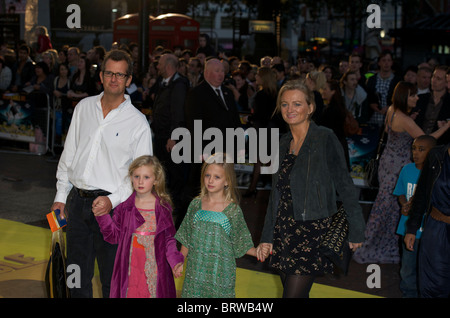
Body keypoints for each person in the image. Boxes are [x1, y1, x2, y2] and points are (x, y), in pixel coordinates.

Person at [50, 49, 153, 298]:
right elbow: (69, 154)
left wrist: (112, 201)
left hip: (113, 211)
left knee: (112, 282)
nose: (114, 79)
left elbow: (142, 177)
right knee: (76, 277)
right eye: (109, 73)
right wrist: (61, 196)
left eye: (120, 75)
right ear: (102, 75)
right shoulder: (84, 108)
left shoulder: (138, 122)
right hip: (76, 203)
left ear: (129, 80)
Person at [256, 80, 365, 298]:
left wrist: (357, 229)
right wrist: (267, 236)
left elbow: (345, 185)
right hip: (284, 230)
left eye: (297, 104)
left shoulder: (324, 138)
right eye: (285, 104)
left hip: (313, 230)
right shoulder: (282, 142)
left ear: (310, 108)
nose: (290, 110)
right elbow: (275, 194)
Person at [353, 81, 450, 264]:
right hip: (397, 169)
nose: (416, 98)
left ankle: (378, 247)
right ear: (404, 97)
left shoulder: (391, 110)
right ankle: (373, 248)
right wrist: (446, 127)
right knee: (389, 210)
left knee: (387, 209)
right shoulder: (405, 120)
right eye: (413, 95)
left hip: (387, 164)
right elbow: (426, 140)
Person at [94, 155, 184, 298]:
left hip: (154, 268)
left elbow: (169, 240)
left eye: (146, 177)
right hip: (130, 268)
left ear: (156, 180)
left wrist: (175, 261)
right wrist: (102, 215)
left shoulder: (162, 208)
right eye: (136, 176)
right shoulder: (124, 208)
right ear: (130, 178)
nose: (141, 181)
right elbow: (113, 236)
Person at [175, 153, 257, 297]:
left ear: (227, 181)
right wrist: (180, 260)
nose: (210, 180)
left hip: (221, 275)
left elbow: (240, 242)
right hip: (195, 273)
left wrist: (258, 252)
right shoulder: (195, 205)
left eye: (217, 177)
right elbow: (187, 238)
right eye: (207, 175)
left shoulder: (232, 211)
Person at [183, 58, 241, 227]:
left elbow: (234, 121)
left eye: (222, 71)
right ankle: (190, 227)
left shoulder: (228, 93)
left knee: (223, 189)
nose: (221, 74)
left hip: (225, 153)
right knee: (199, 190)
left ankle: (219, 223)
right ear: (207, 73)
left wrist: (238, 147)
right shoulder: (196, 93)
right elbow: (194, 125)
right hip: (206, 153)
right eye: (217, 71)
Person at [405, 141, 450, 298]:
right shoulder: (436, 155)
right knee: (433, 286)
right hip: (437, 230)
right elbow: (422, 194)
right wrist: (412, 227)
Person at [394, 135, 436, 298]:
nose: (416, 153)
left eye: (421, 149)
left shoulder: (436, 173)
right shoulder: (407, 169)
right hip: (408, 230)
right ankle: (409, 293)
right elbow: (400, 193)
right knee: (408, 267)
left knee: (428, 267)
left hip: (428, 231)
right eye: (414, 148)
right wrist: (404, 204)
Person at [151, 53, 190, 230]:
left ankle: (174, 215)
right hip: (161, 137)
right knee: (164, 175)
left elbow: (177, 111)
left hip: (171, 140)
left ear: (167, 66)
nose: (157, 67)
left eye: (159, 64)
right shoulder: (165, 83)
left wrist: (174, 136)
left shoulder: (179, 85)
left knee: (173, 177)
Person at [244, 66, 278, 196]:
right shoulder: (274, 93)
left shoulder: (262, 95)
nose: (256, 76)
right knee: (266, 161)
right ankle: (254, 188)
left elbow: (261, 115)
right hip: (271, 130)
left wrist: (250, 118)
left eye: (258, 75)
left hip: (262, 130)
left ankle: (254, 188)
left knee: (262, 161)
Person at [413, 65, 450, 145]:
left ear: (446, 82)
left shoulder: (448, 102)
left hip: (440, 146)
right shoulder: (421, 99)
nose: (433, 80)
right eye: (433, 76)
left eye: (438, 79)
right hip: (418, 143)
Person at [319, 79, 351, 169]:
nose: (322, 91)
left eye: (325, 89)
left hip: (332, 148)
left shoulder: (332, 109)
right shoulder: (337, 106)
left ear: (333, 92)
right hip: (337, 146)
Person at [366, 50, 401, 129]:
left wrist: (389, 107)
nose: (386, 63)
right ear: (379, 63)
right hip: (372, 119)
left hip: (390, 120)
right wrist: (371, 104)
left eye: (389, 60)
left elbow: (399, 99)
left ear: (392, 63)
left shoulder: (397, 80)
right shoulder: (371, 79)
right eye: (384, 60)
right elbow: (367, 96)